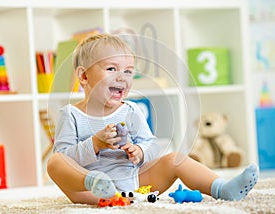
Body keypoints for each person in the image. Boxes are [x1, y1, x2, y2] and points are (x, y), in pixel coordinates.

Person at [47, 33, 259, 205]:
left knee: (175, 158)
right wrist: (95, 144)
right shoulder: (71, 115)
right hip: (89, 192)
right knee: (55, 162)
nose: (122, 77)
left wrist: (139, 152)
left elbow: (149, 143)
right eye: (111, 69)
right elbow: (66, 159)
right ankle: (96, 182)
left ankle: (222, 188)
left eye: (128, 71)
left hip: (135, 183)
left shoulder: (131, 110)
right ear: (84, 76)